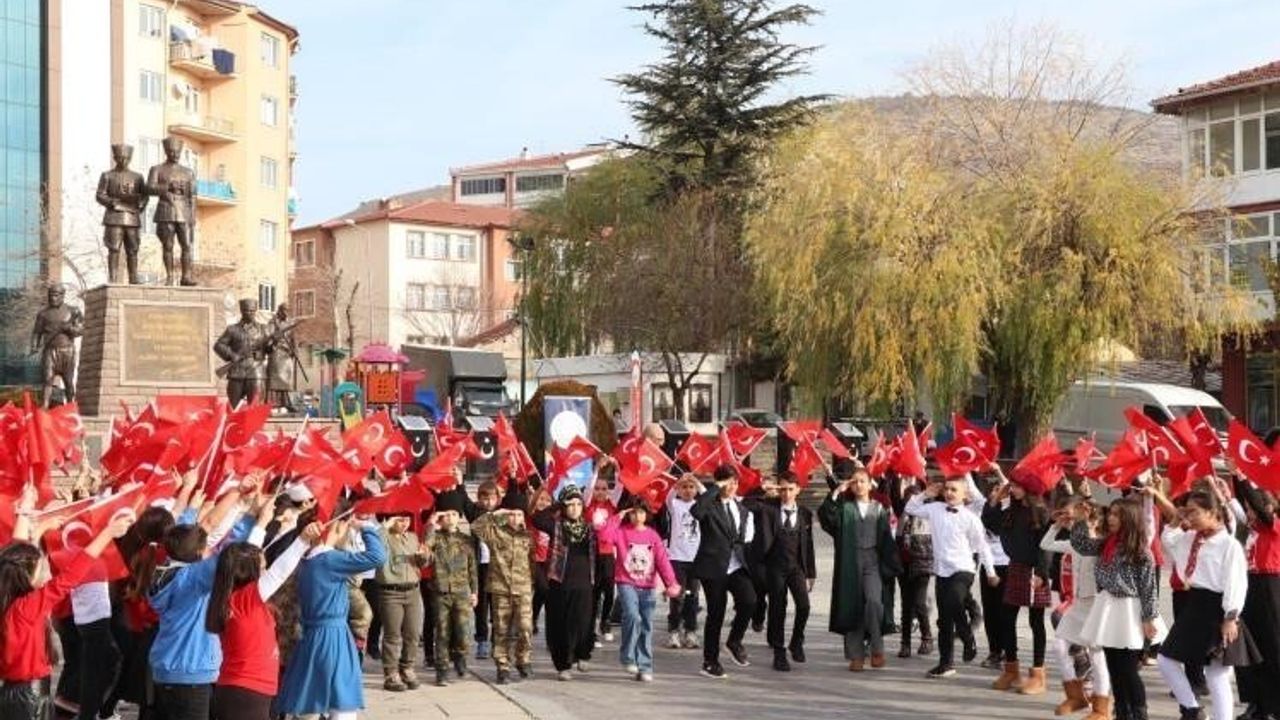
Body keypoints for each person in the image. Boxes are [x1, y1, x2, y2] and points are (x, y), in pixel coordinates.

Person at [148, 481, 265, 720]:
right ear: (198, 553)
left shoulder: (163, 568)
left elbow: (187, 530)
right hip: (191, 674)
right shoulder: (192, 579)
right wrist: (253, 516)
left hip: (164, 669)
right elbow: (231, 553)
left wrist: (236, 493)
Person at [0, 508, 133, 719]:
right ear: (25, 575)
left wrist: (41, 527)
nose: (45, 571)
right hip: (29, 697)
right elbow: (70, 576)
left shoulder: (10, 601)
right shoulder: (26, 608)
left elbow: (16, 559)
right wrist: (107, 534)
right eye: (40, 567)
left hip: (14, 693)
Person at [1153, 487, 1258, 720]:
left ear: (1212, 512)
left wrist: (1231, 618)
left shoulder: (1228, 545)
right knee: (1165, 659)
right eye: (1187, 512)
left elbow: (1236, 583)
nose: (1190, 518)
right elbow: (1168, 539)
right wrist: (1177, 519)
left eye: (1194, 512)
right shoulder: (1191, 537)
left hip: (1218, 608)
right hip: (1195, 604)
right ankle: (1192, 709)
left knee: (1216, 674)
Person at [275, 515, 388, 720]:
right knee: (343, 703)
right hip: (333, 636)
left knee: (309, 703)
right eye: (342, 525)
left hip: (312, 636)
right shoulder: (330, 559)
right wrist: (367, 528)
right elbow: (377, 557)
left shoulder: (307, 560)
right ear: (330, 528)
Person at [205, 521, 321, 720]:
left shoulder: (234, 598)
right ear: (246, 572)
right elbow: (279, 573)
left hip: (240, 690)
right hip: (247, 693)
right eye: (262, 567)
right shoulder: (245, 599)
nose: (266, 571)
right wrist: (301, 541)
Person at [1070, 494, 1166, 720]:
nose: (1111, 518)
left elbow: (1149, 588)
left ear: (1130, 518)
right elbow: (1081, 544)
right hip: (1108, 607)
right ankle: (1122, 711)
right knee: (1114, 667)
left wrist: (1148, 618)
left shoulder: (1141, 552)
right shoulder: (1107, 543)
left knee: (1128, 670)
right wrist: (1082, 519)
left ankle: (1139, 713)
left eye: (1117, 515)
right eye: (1110, 513)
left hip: (1130, 611)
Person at [904, 475, 998, 679]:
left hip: (963, 569)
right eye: (946, 489)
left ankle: (966, 635)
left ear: (965, 495)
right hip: (941, 570)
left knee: (955, 600)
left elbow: (981, 546)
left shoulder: (971, 517)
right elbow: (910, 509)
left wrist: (990, 572)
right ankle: (946, 663)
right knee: (945, 619)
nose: (949, 492)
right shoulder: (935, 509)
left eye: (954, 489)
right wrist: (925, 494)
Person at [819, 468, 899, 672]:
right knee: (852, 604)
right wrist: (836, 492)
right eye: (855, 482)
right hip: (850, 560)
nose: (859, 485)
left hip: (873, 559)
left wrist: (892, 564)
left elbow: (887, 538)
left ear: (870, 483)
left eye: (862, 481)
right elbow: (827, 519)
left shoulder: (879, 508)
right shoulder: (845, 508)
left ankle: (877, 648)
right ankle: (856, 655)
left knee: (874, 602)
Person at [982, 468, 1051, 695]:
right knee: (1006, 617)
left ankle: (1038, 674)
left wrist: (1042, 572)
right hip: (1015, 567)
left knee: (1036, 622)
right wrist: (996, 498)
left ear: (1029, 488)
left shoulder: (1040, 511)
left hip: (1034, 571)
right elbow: (989, 521)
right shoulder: (1011, 510)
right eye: (1012, 485)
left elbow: (1046, 545)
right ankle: (1011, 670)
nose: (1013, 489)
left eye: (1017, 486)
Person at [1040, 497, 1110, 718]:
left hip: (1097, 605)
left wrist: (1081, 520)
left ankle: (1101, 707)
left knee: (1098, 656)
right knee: (1059, 647)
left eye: (1078, 517)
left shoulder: (1101, 543)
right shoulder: (1075, 542)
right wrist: (1056, 526)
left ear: (1095, 521)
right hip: (1078, 605)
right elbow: (1046, 544)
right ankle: (1076, 697)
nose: (1072, 520)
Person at [598, 496, 680, 682]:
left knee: (646, 625)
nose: (637, 516)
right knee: (633, 617)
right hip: (627, 583)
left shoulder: (652, 535)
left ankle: (644, 666)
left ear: (647, 514)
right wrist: (617, 517)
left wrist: (671, 582)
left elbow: (662, 561)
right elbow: (604, 537)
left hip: (648, 586)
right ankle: (627, 656)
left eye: (641, 512)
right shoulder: (620, 531)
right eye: (633, 512)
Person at [690, 464, 757, 679]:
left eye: (735, 483)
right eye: (727, 483)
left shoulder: (741, 508)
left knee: (749, 601)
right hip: (713, 567)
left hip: (735, 565)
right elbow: (696, 511)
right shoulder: (710, 505)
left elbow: (743, 538)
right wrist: (714, 487)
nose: (732, 487)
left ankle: (734, 641)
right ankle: (710, 661)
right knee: (716, 614)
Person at [530, 484, 597, 681]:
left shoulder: (589, 528)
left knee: (583, 621)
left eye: (578, 504)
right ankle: (563, 664)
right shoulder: (556, 525)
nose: (575, 508)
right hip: (560, 582)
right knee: (560, 624)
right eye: (571, 504)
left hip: (584, 582)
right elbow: (537, 518)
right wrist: (558, 504)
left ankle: (582, 653)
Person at [751, 472, 816, 672]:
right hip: (774, 566)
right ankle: (779, 652)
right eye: (782, 489)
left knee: (804, 606)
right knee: (778, 608)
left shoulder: (805, 513)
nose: (786, 493)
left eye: (790, 489)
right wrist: (762, 490)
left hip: (796, 567)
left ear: (798, 490)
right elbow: (746, 504)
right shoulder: (769, 508)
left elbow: (809, 544)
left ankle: (797, 641)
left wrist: (810, 572)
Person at [471, 506, 535, 685]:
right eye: (512, 514)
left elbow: (532, 562)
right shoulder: (496, 533)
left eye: (519, 514)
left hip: (523, 589)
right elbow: (476, 527)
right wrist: (495, 514)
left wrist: (532, 585)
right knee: (501, 630)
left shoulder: (528, 537)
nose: (515, 518)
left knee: (525, 628)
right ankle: (503, 665)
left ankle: (523, 659)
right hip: (501, 589)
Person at [1236, 478, 1280, 720]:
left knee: (1272, 647)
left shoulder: (1274, 525)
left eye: (1253, 508)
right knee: (1249, 648)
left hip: (1270, 585)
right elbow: (1241, 504)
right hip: (1249, 585)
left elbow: (1257, 505)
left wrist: (1242, 479)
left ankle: (1276, 703)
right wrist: (1230, 482)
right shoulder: (1250, 529)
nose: (1249, 513)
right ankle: (1257, 703)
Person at [425, 497, 478, 687]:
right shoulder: (436, 538)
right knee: (442, 632)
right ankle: (442, 671)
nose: (450, 518)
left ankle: (460, 656)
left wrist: (475, 591)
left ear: (459, 517)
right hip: (441, 592)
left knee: (464, 631)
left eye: (454, 514)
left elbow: (473, 568)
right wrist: (432, 525)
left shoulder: (466, 540)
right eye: (446, 515)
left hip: (462, 592)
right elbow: (425, 551)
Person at [375, 511, 429, 691]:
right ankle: (391, 673)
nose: (404, 523)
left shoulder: (412, 538)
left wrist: (423, 557)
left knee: (413, 633)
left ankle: (407, 666)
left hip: (412, 590)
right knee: (392, 634)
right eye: (399, 519)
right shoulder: (384, 537)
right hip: (391, 592)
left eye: (407, 519)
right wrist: (385, 526)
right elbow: (376, 544)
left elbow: (423, 563)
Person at [661, 473, 702, 650]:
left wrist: (697, 481)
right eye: (684, 487)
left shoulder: (700, 506)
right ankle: (674, 631)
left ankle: (690, 631)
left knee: (692, 596)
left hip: (696, 558)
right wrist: (677, 482)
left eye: (691, 487)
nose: (688, 490)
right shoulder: (675, 505)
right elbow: (668, 497)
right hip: (677, 557)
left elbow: (710, 496)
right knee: (677, 596)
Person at [895, 480, 935, 658]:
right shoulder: (901, 516)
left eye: (915, 498)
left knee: (919, 603)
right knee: (906, 605)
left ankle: (927, 637)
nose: (911, 502)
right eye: (908, 499)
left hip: (922, 565)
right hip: (903, 565)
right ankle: (905, 643)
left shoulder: (928, 516)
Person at [586, 478, 619, 647]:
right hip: (592, 555)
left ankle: (605, 623)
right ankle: (591, 631)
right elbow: (589, 488)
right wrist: (597, 469)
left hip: (608, 555)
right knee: (594, 594)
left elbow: (619, 486)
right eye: (597, 488)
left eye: (604, 489)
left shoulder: (611, 506)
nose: (600, 491)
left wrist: (616, 468)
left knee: (609, 592)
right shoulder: (588, 505)